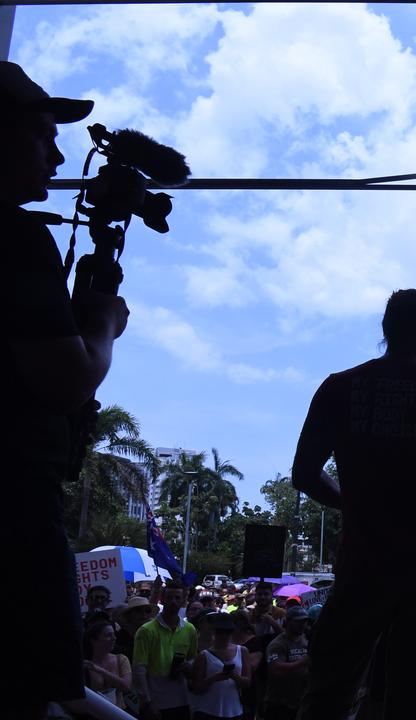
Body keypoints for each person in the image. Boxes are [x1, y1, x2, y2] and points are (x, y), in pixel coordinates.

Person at [1, 60, 130, 719]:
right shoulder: (17, 242)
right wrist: (104, 325)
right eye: (41, 134)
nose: (57, 153)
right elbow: (67, 382)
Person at [291, 289, 416, 719]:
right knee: (411, 697)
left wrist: (351, 505)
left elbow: (304, 474)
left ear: (386, 330)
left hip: (362, 563)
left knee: (329, 692)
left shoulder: (339, 387)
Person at [133, 581, 199, 720]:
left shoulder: (190, 629)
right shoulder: (146, 631)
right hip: (155, 702)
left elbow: (193, 658)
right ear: (162, 599)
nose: (173, 601)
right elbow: (139, 669)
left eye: (177, 598)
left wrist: (188, 666)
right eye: (169, 597)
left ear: (183, 601)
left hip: (182, 700)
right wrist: (146, 702)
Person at [189, 612, 248, 720]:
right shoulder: (204, 655)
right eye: (220, 632)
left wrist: (234, 676)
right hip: (208, 710)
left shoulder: (242, 651)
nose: (224, 636)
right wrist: (214, 678)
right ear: (214, 632)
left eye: (228, 632)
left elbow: (247, 682)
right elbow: (195, 688)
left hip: (234, 710)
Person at [263, 606, 310, 720]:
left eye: (304, 621)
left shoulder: (306, 640)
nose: (302, 624)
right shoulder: (277, 644)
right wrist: (304, 661)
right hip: (279, 704)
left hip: (299, 702)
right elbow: (276, 670)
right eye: (298, 621)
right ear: (288, 621)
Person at [83, 620, 133, 711]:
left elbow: (126, 686)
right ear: (93, 640)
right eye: (108, 635)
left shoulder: (121, 659)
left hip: (119, 713)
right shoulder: (85, 664)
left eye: (114, 634)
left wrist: (100, 670)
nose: (114, 638)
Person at [114, 595, 157, 660]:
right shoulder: (117, 639)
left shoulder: (152, 636)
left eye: (147, 611)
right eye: (138, 610)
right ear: (128, 615)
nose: (144, 614)